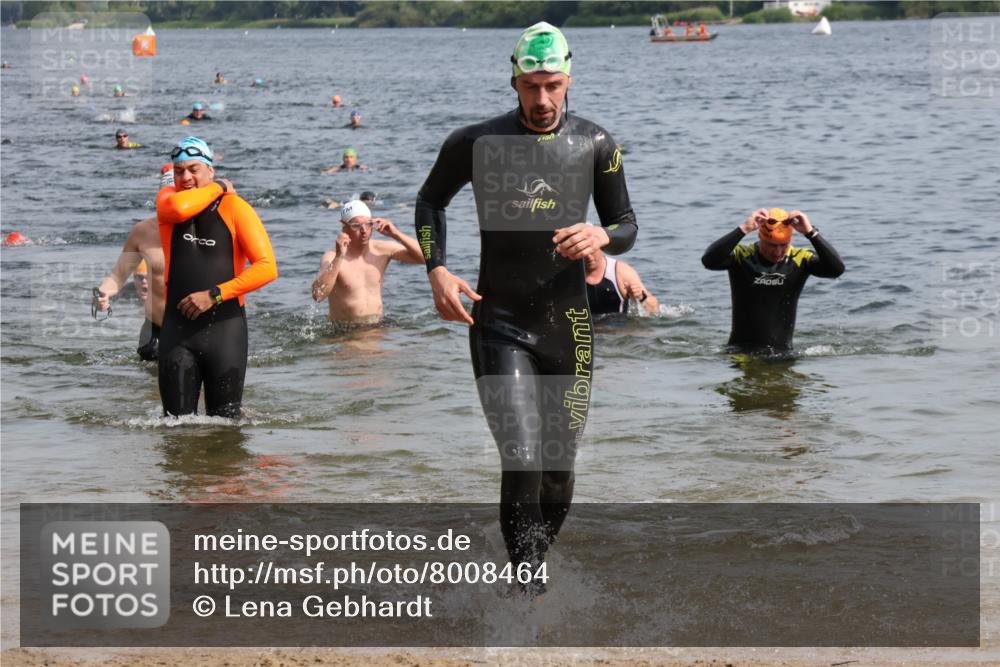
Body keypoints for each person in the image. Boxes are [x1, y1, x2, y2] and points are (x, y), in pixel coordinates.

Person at [415, 22, 638, 594]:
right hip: (500, 322)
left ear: (569, 80)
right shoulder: (476, 143)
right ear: (514, 81)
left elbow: (626, 225)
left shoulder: (596, 143)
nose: (542, 99)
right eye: (532, 86)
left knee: (557, 473)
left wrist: (601, 235)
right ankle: (528, 594)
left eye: (553, 86)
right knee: (521, 458)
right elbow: (431, 199)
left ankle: (529, 568)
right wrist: (437, 267)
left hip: (570, 326)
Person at [155, 136, 278, 417]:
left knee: (227, 429)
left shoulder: (236, 208)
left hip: (225, 330)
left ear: (209, 170)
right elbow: (180, 209)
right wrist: (220, 186)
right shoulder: (167, 200)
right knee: (174, 428)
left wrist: (215, 294)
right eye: (179, 171)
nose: (185, 177)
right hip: (177, 332)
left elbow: (267, 267)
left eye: (194, 169)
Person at [701, 208, 845, 353]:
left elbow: (836, 270)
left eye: (783, 245)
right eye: (772, 245)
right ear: (760, 236)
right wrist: (743, 229)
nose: (777, 252)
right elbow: (709, 261)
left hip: (783, 353)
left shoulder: (800, 259)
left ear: (790, 240)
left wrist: (811, 233)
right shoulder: (742, 256)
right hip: (740, 352)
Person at [311, 200, 423, 322]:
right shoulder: (332, 257)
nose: (364, 230)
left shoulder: (381, 250)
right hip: (346, 330)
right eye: (356, 226)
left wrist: (396, 234)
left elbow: (426, 258)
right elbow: (318, 295)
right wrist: (339, 257)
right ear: (344, 227)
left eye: (368, 224)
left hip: (378, 326)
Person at [93, 218, 165, 360]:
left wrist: (211, 295)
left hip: (199, 328)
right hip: (154, 329)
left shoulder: (210, 227)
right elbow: (117, 275)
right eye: (139, 278)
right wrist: (103, 292)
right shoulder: (143, 230)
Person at [584, 251, 659, 316]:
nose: (589, 257)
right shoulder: (576, 273)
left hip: (619, 326)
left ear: (600, 247)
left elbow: (655, 309)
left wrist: (641, 297)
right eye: (584, 253)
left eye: (592, 252)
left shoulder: (622, 272)